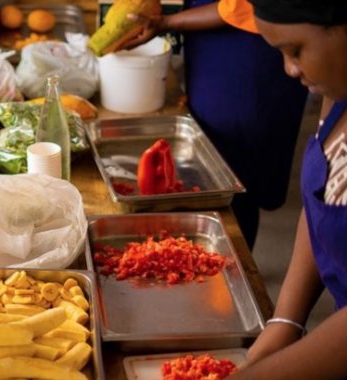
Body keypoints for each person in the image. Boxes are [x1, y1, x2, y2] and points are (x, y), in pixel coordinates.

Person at [188, 2, 347, 380]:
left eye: (296, 49)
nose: (289, 69)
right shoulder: (337, 92)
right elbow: (319, 212)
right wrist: (285, 321)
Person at [124, 0, 308, 248]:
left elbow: (241, 6)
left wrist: (169, 22)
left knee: (235, 176)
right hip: (209, 34)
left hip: (247, 48)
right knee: (206, 156)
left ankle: (234, 266)